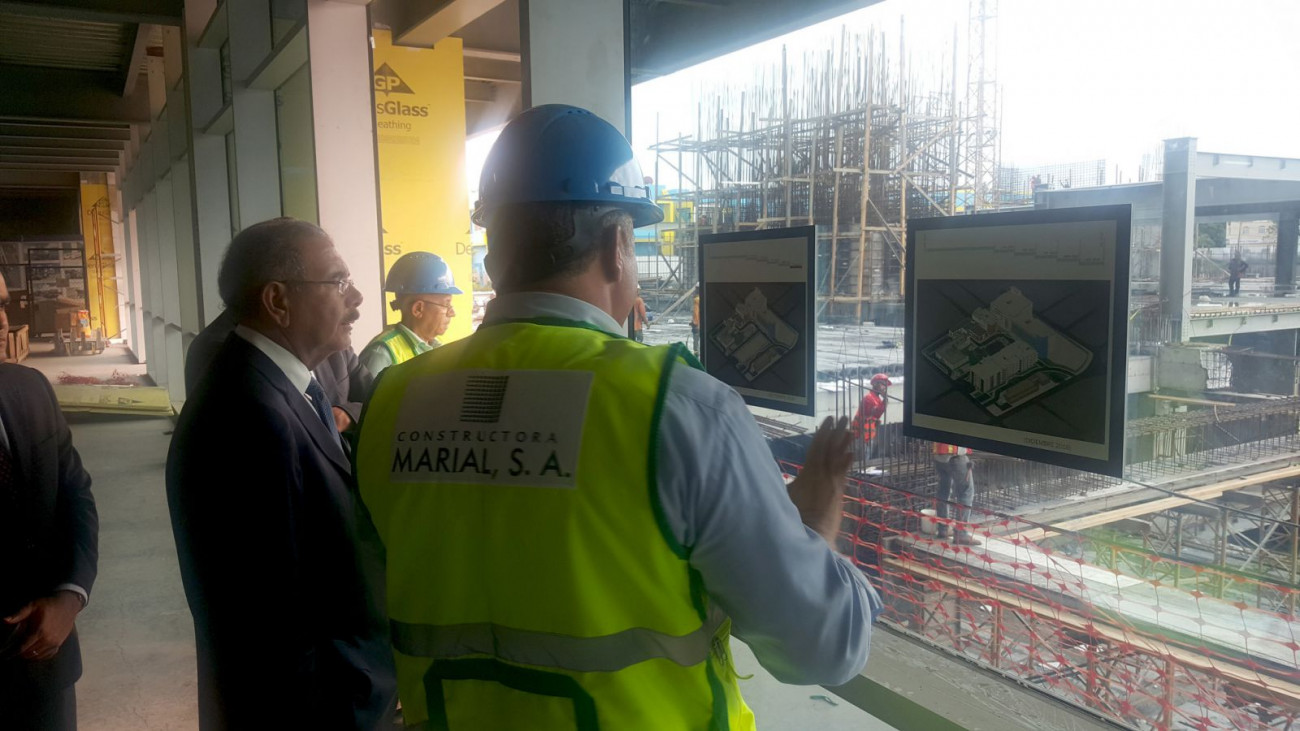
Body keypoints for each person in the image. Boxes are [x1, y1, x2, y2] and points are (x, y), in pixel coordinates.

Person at [355, 105, 879, 730]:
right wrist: (813, 520)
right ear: (617, 245)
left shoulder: (394, 400)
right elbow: (824, 645)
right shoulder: (681, 408)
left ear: (494, 259)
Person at [166, 218, 396, 729]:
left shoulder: (280, 385)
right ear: (278, 301)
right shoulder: (249, 414)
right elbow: (272, 620)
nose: (356, 298)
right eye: (338, 282)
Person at [0, 271, 98, 731]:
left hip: (45, 661)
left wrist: (69, 596)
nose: (1, 322)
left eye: (1, 305)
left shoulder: (30, 390)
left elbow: (75, 494)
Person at [184, 308, 373, 435]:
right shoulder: (223, 354)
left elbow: (382, 400)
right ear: (276, 296)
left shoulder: (332, 338)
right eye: (336, 283)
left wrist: (346, 414)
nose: (354, 304)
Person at [359, 251, 461, 375]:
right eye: (446, 304)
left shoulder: (435, 347)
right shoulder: (381, 355)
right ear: (418, 309)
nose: (452, 313)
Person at [932, 443, 980, 546]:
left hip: (939, 455)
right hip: (955, 454)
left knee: (943, 490)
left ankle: (943, 528)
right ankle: (961, 534)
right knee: (966, 492)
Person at [852, 373, 891, 460]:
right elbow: (876, 413)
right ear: (875, 384)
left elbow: (877, 415)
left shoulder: (877, 399)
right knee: (863, 458)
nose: (885, 387)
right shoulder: (869, 398)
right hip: (862, 434)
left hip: (869, 433)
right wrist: (885, 399)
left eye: (885, 385)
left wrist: (885, 400)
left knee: (867, 456)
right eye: (883, 384)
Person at [691, 286, 701, 355]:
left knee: (696, 341)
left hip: (697, 324)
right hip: (698, 323)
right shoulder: (698, 300)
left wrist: (695, 323)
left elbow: (696, 313)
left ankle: (696, 353)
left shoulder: (697, 300)